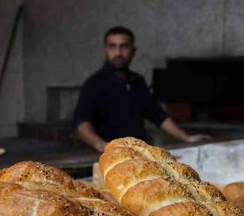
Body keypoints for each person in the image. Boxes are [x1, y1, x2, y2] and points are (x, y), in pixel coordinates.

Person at [72, 26, 210, 152]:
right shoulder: (95, 83)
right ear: (105, 50)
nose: (118, 52)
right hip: (110, 157)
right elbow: (81, 123)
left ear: (133, 50)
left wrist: (186, 138)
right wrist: (102, 146)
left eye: (124, 46)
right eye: (113, 47)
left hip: (138, 155)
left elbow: (158, 116)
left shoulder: (137, 81)